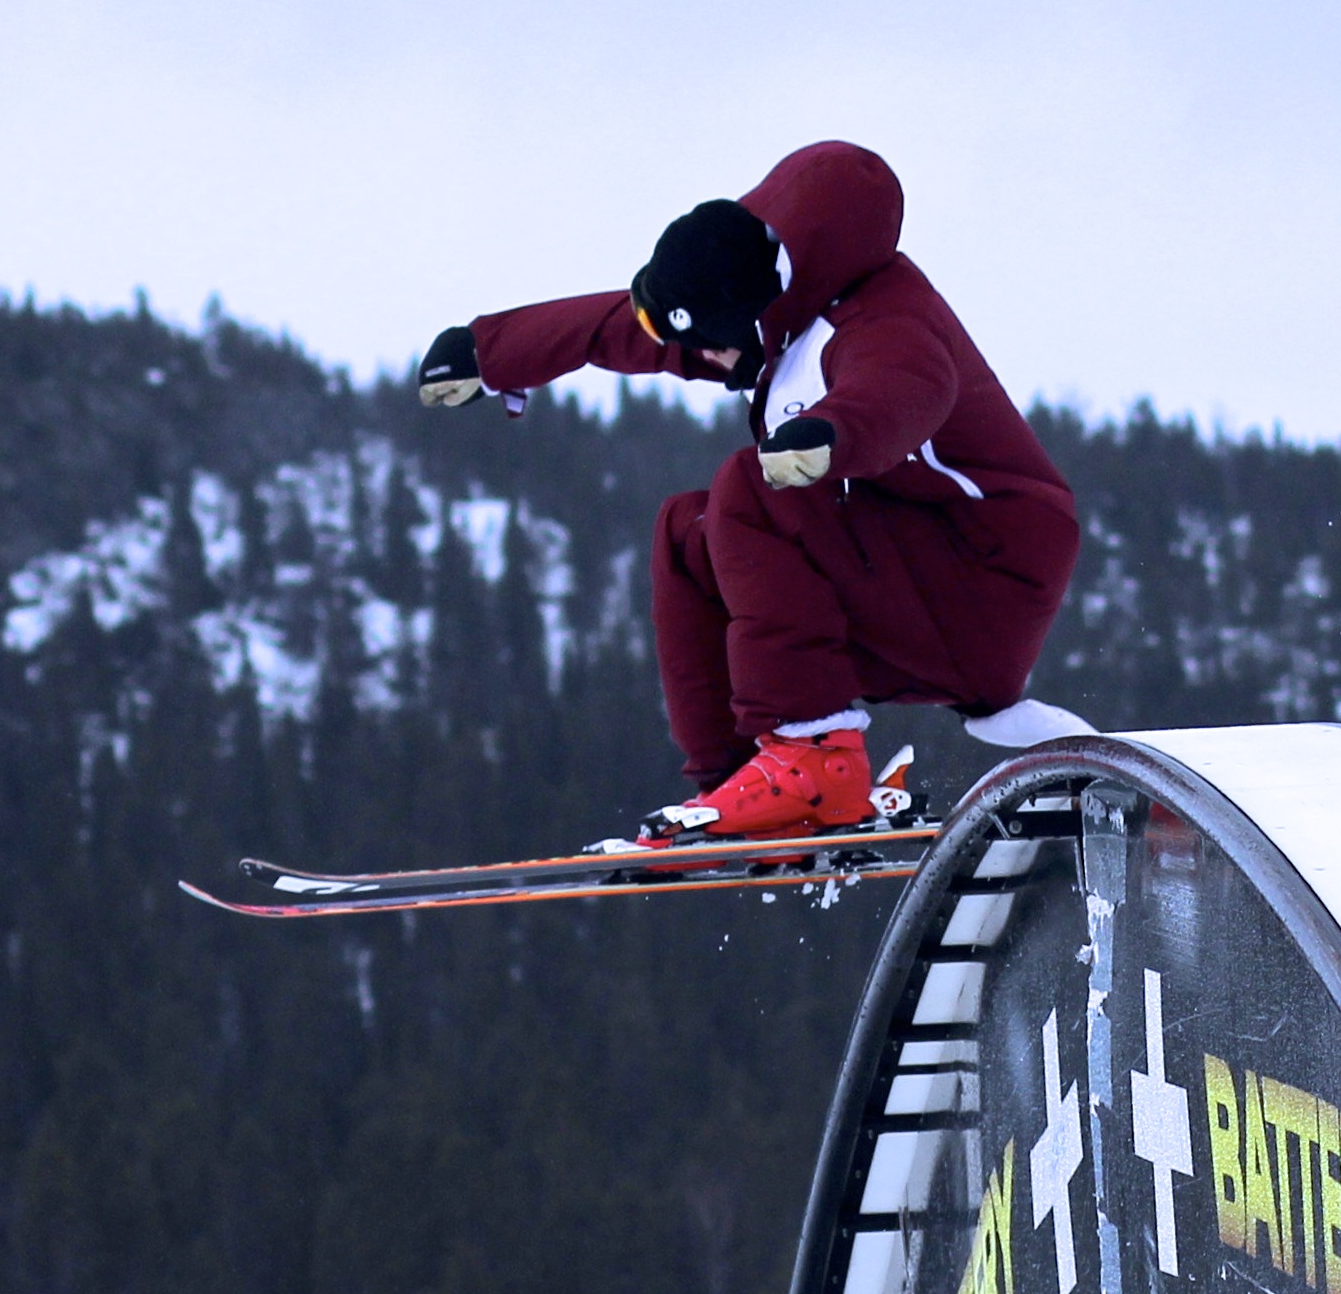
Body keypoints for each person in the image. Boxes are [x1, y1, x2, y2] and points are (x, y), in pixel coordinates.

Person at [416, 140, 1093, 841]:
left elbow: (907, 388)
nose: (700, 360)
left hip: (984, 584)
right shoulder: (761, 284)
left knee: (751, 487)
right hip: (917, 568)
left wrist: (835, 432)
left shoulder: (881, 322)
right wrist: (492, 352)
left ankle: (813, 763)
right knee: (688, 528)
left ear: (745, 314)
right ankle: (735, 777)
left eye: (709, 344)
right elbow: (638, 328)